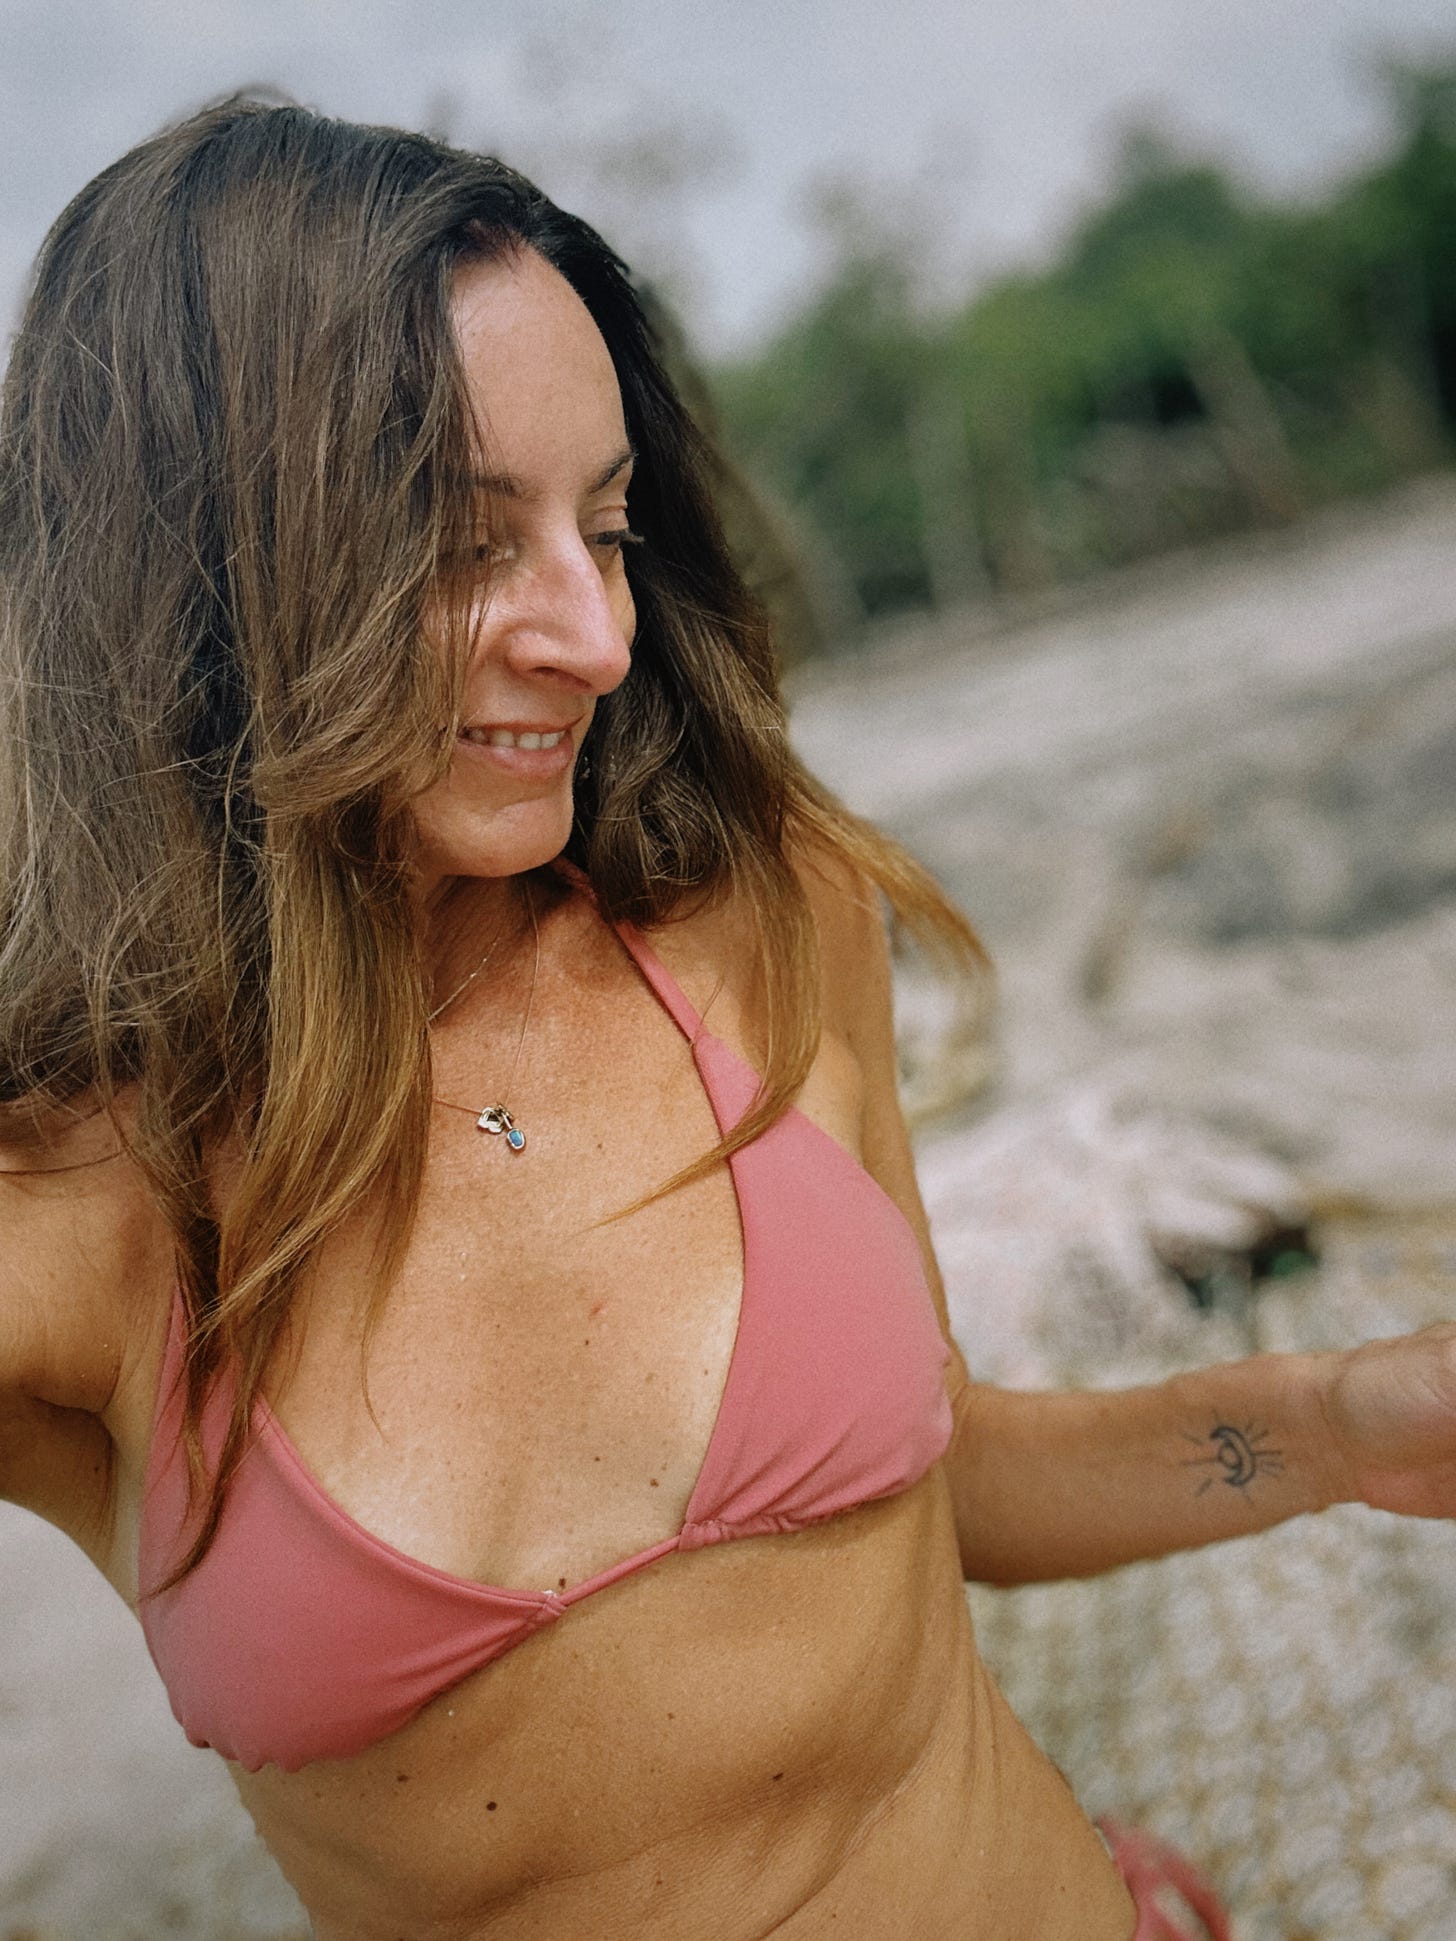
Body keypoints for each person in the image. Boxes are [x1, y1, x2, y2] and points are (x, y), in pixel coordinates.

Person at [1, 97, 1452, 1941]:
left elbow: (943, 1472)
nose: (598, 638)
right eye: (465, 543)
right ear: (195, 590)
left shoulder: (759, 915)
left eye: (605, 528)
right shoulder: (72, 1231)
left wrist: (1338, 1425)